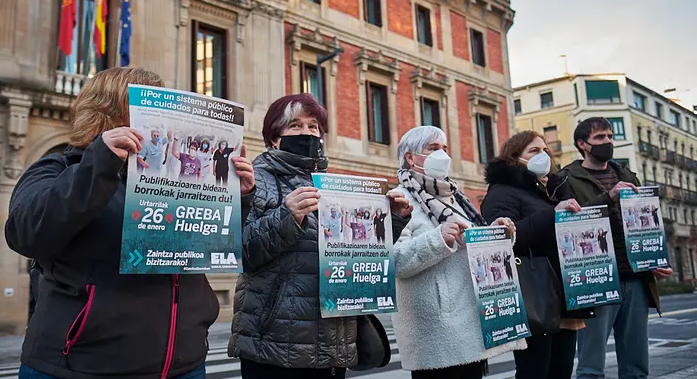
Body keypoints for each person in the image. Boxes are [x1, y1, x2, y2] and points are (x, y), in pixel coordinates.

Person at [5, 67, 256, 379]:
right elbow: (24, 233)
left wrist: (236, 197)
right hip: (80, 368)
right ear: (110, 112)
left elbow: (213, 243)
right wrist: (100, 164)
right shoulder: (59, 167)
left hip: (184, 365)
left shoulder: (169, 173)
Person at [228, 94, 412, 378]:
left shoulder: (332, 185)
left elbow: (365, 252)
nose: (306, 133)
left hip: (332, 344)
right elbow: (244, 252)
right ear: (275, 137)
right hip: (275, 345)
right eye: (295, 126)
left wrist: (393, 219)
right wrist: (287, 216)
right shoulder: (257, 179)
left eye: (313, 127)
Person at [390, 126, 524, 379]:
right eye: (433, 149)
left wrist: (497, 234)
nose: (443, 155)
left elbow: (471, 244)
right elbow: (394, 261)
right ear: (410, 157)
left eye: (444, 148)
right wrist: (439, 238)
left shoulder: (456, 198)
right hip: (435, 327)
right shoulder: (400, 198)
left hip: (470, 319)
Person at [555, 117, 674, 379]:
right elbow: (568, 226)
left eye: (610, 136)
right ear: (582, 144)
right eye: (600, 138)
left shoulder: (627, 175)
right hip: (596, 280)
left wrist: (654, 257)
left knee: (637, 366)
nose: (608, 142)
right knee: (591, 367)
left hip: (635, 278)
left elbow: (643, 222)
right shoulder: (566, 179)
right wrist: (607, 198)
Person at [481, 131, 594, 379]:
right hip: (534, 296)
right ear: (514, 157)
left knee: (561, 371)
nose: (542, 156)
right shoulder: (502, 190)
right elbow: (503, 240)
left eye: (545, 150)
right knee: (534, 372)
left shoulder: (555, 188)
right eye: (533, 151)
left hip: (563, 295)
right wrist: (554, 213)